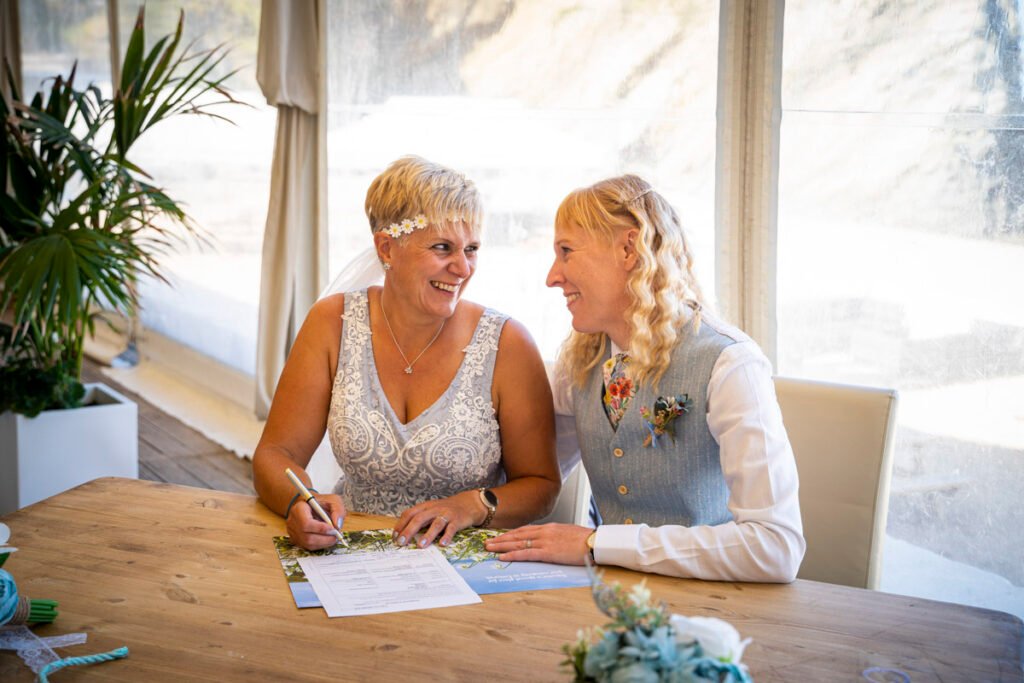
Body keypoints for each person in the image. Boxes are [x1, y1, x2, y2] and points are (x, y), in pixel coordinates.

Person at [485, 174, 805, 582]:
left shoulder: (730, 365)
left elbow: (775, 548)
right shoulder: (578, 365)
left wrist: (596, 544)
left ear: (628, 249)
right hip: (609, 599)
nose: (552, 276)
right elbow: (533, 475)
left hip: (715, 607)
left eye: (566, 251)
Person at [253, 156, 560, 551]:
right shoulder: (332, 323)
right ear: (387, 248)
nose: (463, 268)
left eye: (472, 249)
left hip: (466, 561)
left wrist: (473, 505)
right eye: (442, 247)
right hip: (350, 549)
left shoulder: (508, 344)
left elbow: (543, 486)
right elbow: (275, 454)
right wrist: (300, 501)